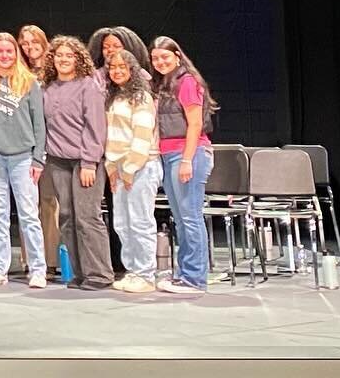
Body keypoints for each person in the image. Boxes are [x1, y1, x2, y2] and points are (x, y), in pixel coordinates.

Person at [0, 31, 48, 288]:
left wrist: (38, 159)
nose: (4, 55)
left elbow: (40, 124)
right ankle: (0, 269)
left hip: (23, 157)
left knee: (28, 215)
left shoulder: (29, 83)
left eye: (9, 51)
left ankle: (37, 269)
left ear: (16, 54)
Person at [41, 35, 112, 291]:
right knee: (68, 217)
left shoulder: (87, 86)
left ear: (78, 58)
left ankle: (100, 274)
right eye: (59, 55)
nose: (63, 59)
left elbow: (95, 126)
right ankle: (80, 273)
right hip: (58, 161)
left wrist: (89, 162)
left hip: (84, 161)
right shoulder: (47, 88)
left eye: (69, 55)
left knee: (87, 216)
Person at [150, 35, 216, 295]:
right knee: (180, 217)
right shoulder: (164, 84)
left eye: (165, 57)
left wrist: (187, 159)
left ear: (177, 55)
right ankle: (184, 273)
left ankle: (194, 278)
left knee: (190, 216)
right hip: (168, 155)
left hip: (188, 153)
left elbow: (196, 124)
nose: (160, 62)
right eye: (155, 58)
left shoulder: (186, 81)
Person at [103, 50, 162, 294]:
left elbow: (142, 136)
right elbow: (111, 137)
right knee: (122, 223)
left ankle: (146, 274)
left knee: (140, 221)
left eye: (122, 67)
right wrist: (111, 167)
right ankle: (133, 271)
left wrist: (129, 168)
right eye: (112, 67)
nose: (116, 71)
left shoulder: (141, 97)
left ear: (132, 69)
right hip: (118, 167)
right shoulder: (115, 97)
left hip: (141, 166)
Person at [15, 23, 58, 271]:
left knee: (50, 202)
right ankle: (30, 258)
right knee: (28, 203)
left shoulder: (54, 73)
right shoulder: (19, 74)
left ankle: (51, 260)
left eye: (34, 42)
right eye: (25, 43)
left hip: (52, 146)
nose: (30, 47)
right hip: (26, 147)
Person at [87, 27, 151, 87]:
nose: (110, 50)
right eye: (105, 47)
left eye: (117, 46)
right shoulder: (96, 77)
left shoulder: (142, 75)